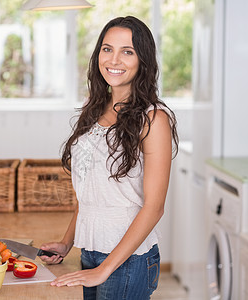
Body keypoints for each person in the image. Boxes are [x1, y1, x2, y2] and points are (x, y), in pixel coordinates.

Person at [39, 15, 179, 300]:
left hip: (129, 261)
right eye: (107, 49)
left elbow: (154, 207)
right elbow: (91, 193)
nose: (114, 60)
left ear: (143, 60)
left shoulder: (153, 119)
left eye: (127, 51)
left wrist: (105, 270)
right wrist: (67, 243)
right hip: (90, 251)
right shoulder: (94, 110)